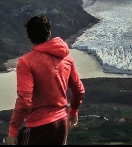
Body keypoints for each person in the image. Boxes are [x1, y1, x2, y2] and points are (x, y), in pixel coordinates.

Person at [5, 15, 85, 145]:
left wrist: (13, 131)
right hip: (61, 124)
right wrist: (73, 111)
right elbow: (79, 89)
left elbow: (24, 101)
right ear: (49, 33)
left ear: (29, 36)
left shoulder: (26, 62)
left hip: (38, 127)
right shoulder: (66, 58)